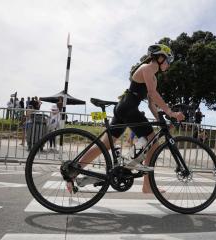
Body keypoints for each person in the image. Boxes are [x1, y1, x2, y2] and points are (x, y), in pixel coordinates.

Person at [67, 44, 185, 193]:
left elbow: (151, 104)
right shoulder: (147, 68)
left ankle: (74, 171)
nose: (169, 64)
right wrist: (170, 112)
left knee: (105, 145)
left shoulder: (154, 78)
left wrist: (163, 121)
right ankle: (147, 186)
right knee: (153, 143)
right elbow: (153, 93)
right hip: (128, 108)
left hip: (125, 108)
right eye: (168, 60)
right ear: (160, 57)